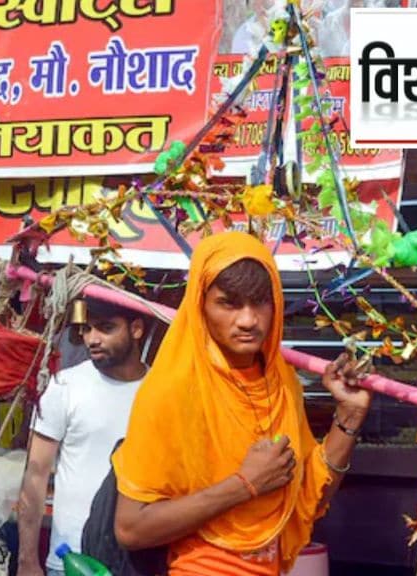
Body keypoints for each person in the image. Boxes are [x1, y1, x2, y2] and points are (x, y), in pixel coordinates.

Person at [113, 232, 370, 575]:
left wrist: (349, 416)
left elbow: (311, 499)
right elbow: (130, 528)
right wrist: (245, 484)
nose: (248, 320)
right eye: (229, 303)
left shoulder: (281, 382)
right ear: (201, 306)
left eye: (260, 302)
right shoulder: (172, 390)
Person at [17, 299, 149, 576]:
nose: (92, 339)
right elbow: (35, 475)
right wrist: (27, 560)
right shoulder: (64, 386)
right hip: (72, 560)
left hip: (141, 560)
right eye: (87, 329)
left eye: (106, 328)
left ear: (136, 329)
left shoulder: (162, 390)